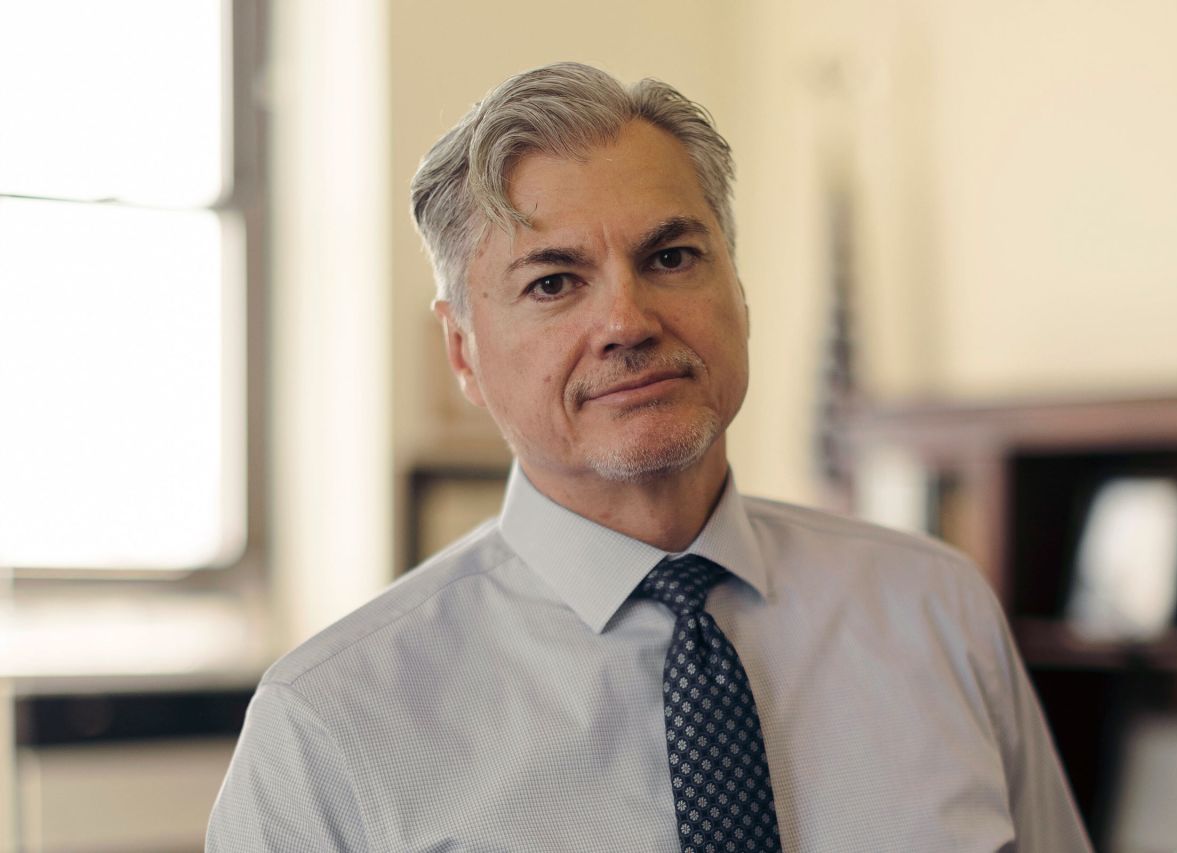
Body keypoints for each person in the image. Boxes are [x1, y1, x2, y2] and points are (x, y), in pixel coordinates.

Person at [207, 62, 1091, 852]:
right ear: (464, 352)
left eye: (671, 257)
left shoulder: (937, 611)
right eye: (553, 282)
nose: (627, 320)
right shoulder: (329, 726)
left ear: (738, 294)